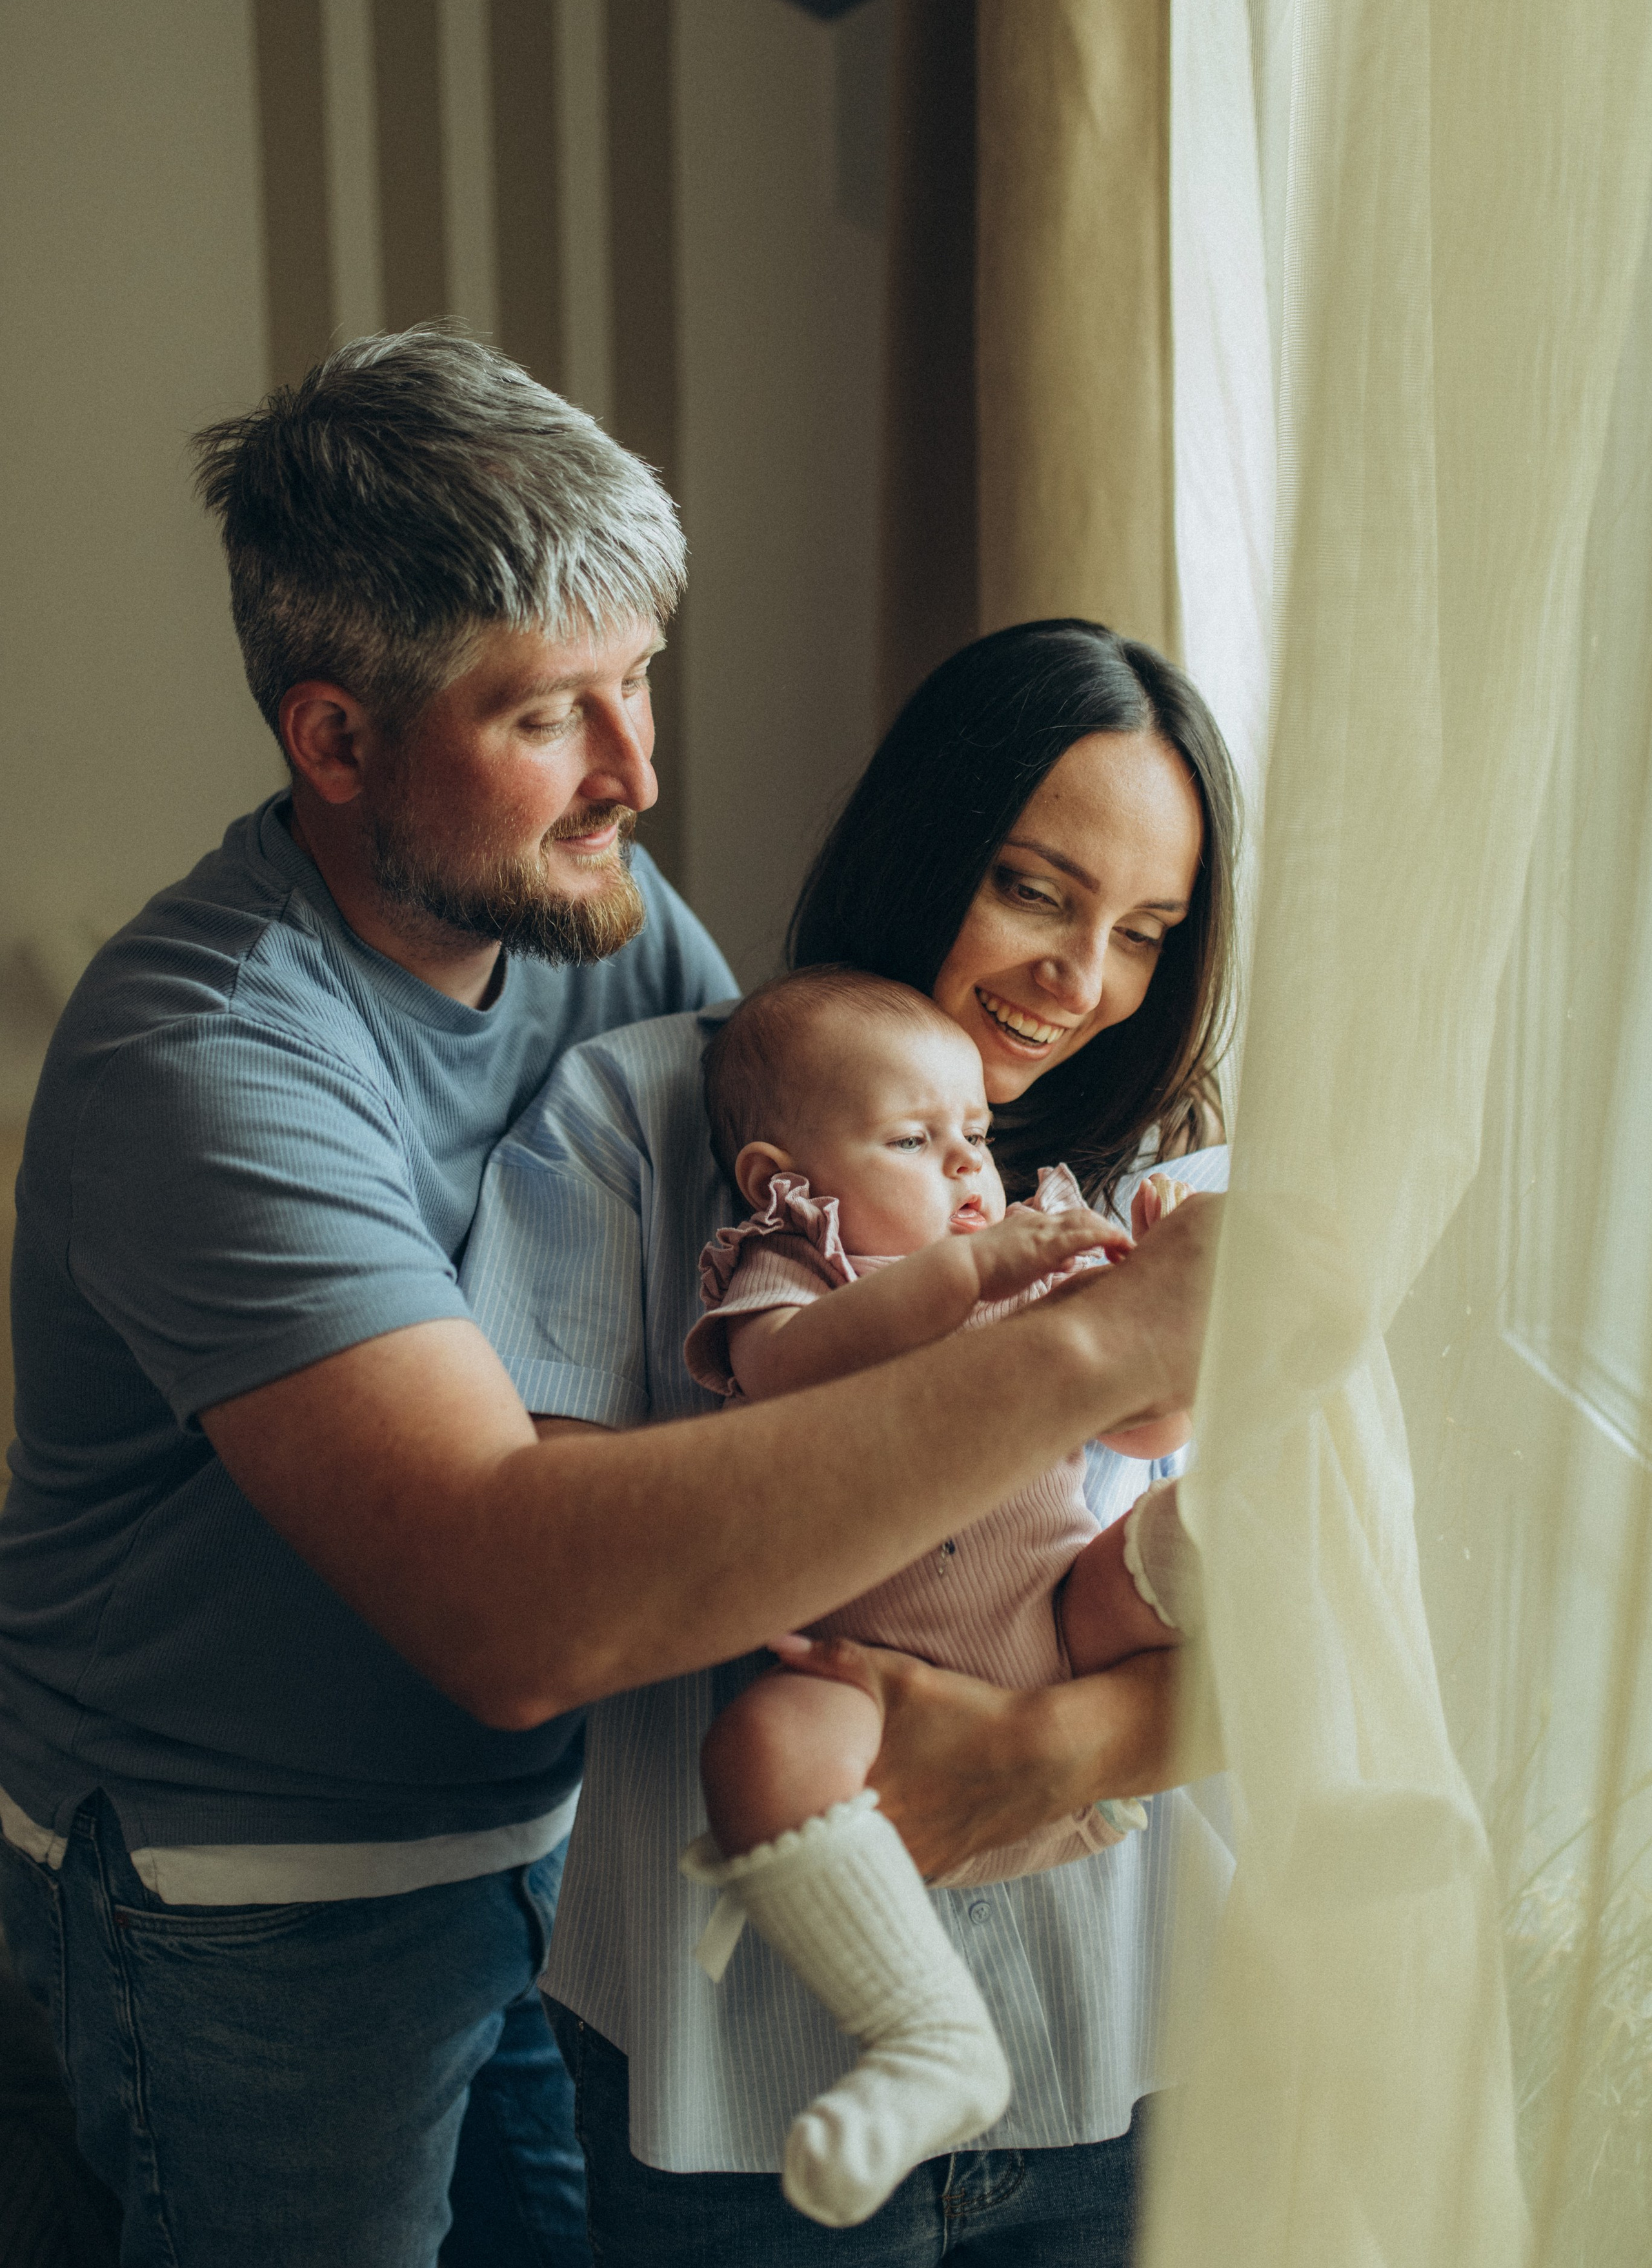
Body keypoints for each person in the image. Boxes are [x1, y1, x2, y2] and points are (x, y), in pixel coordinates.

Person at [0, 334, 1216, 2268]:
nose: (642, 771)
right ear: (335, 743)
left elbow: (778, 1286)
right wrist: (1088, 1340)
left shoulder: (610, 929)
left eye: (640, 676)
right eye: (555, 713)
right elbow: (518, 1596)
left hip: (548, 1861)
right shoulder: (211, 1065)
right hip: (253, 1897)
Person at [461, 618, 1238, 2265]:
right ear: (924, 840)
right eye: (1034, 890)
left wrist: (1046, 1758)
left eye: (1144, 934)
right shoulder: (653, 1126)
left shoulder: (1168, 1198)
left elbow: (1302, 1643)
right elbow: (550, 1599)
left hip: (1114, 2053)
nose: (1079, 982)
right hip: (735, 2088)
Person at [678, 966, 1196, 2228]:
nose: (968, 1169)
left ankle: (1277, 1622)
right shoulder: (789, 1277)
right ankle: (924, 2032)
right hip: (867, 1675)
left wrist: (1159, 1303)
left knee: (1196, 1521)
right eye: (915, 1141)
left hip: (1062, 1617)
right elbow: (794, 1379)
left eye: (977, 1137)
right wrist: (967, 1271)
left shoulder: (1020, 1259)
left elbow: (1143, 1421)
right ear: (778, 1178)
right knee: (756, 1745)